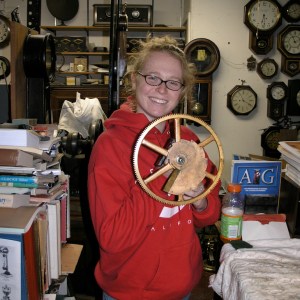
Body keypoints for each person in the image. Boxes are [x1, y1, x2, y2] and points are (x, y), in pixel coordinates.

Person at [88, 35, 221, 300]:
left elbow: (209, 215)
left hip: (183, 287)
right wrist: (164, 175)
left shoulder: (189, 141)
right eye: (153, 78)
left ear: (182, 91)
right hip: (130, 292)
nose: (162, 89)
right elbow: (112, 238)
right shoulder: (110, 146)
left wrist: (200, 204)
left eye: (173, 82)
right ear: (135, 79)